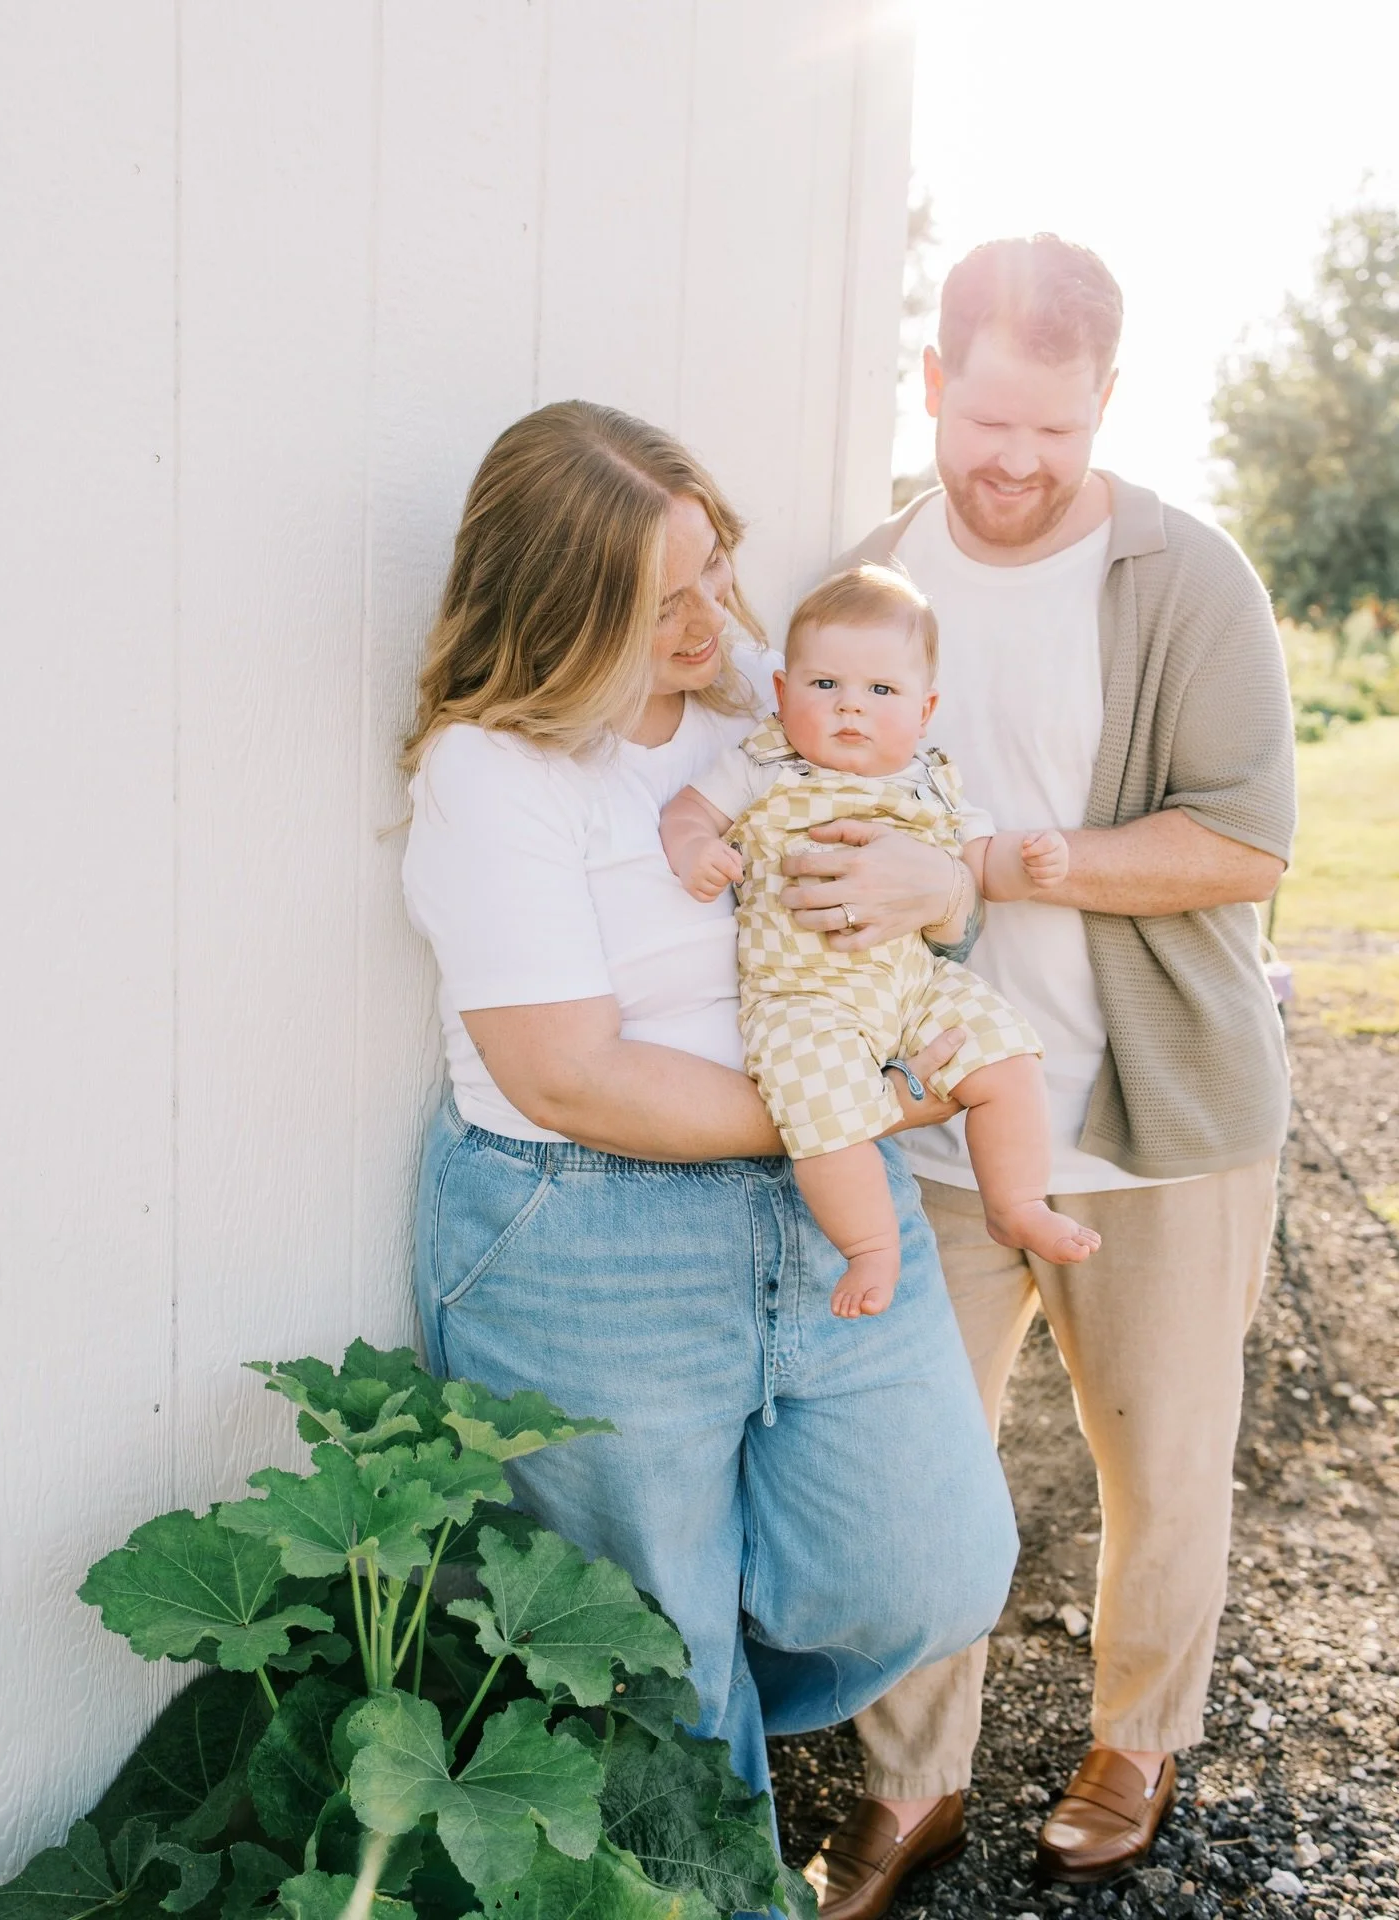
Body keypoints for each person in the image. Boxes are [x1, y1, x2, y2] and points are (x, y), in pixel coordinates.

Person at [400, 400, 1019, 1814]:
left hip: (823, 1188)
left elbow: (920, 843)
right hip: (587, 1236)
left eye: (716, 567)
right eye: (663, 603)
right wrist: (860, 1110)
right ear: (561, 608)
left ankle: (713, 1721)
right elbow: (570, 1072)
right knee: (655, 1665)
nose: (716, 619)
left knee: (928, 1569)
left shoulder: (762, 689)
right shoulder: (491, 772)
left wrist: (948, 891)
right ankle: (704, 1832)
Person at [793, 236, 1295, 1908]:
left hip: (1158, 1121)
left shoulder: (1185, 576)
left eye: (1056, 434)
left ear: (1105, 410)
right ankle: (909, 1788)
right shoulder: (867, 582)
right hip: (927, 1125)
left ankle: (1136, 1739)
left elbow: (1240, 845)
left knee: (1162, 1460)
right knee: (914, 1469)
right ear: (934, 384)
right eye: (988, 420)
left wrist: (987, 869)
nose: (1015, 463)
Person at [660, 564, 1099, 1320]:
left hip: (914, 983)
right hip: (804, 996)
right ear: (782, 692)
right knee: (819, 1102)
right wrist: (699, 850)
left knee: (1006, 1052)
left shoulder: (933, 781)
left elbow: (977, 870)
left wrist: (1028, 865)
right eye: (825, 686)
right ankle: (871, 1245)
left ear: (925, 710)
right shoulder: (764, 764)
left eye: (881, 693)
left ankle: (1017, 1200)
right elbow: (685, 813)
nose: (851, 709)